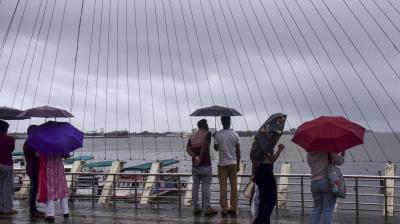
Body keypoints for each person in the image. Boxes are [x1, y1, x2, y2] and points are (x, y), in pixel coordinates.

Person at [186, 119, 217, 216]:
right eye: (207, 123)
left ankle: (196, 207)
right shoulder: (208, 133)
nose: (208, 125)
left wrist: (194, 157)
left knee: (195, 186)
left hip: (195, 165)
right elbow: (205, 145)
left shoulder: (192, 135)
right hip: (205, 164)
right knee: (206, 186)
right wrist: (201, 156)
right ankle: (207, 208)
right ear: (204, 125)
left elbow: (187, 148)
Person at [307, 152, 345, 224]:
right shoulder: (329, 149)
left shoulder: (310, 151)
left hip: (314, 182)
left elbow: (310, 163)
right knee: (328, 209)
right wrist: (342, 155)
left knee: (316, 208)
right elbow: (339, 162)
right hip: (327, 182)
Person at [214, 116, 240, 215]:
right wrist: (238, 164)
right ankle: (233, 207)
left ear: (221, 122)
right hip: (233, 163)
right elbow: (238, 151)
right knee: (234, 187)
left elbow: (216, 148)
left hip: (222, 164)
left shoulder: (218, 134)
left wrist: (214, 138)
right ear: (229, 122)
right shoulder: (235, 134)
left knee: (223, 187)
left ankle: (224, 208)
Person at [252, 143, 285, 224]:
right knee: (271, 198)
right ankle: (258, 221)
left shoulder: (256, 145)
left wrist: (254, 174)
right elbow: (272, 159)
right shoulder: (268, 144)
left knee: (263, 200)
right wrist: (280, 149)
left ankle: (264, 221)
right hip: (267, 171)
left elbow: (254, 161)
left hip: (258, 173)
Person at [38, 152, 70, 222]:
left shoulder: (45, 146)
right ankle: (66, 211)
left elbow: (38, 155)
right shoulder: (60, 144)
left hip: (49, 170)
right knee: (62, 189)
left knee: (50, 191)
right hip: (59, 170)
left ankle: (50, 214)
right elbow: (67, 155)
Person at [23, 125, 45, 218]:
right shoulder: (30, 143)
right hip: (33, 169)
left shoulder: (29, 142)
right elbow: (37, 154)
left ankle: (34, 209)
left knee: (34, 189)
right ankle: (32, 211)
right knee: (33, 190)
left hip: (32, 168)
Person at [0, 120, 17, 215]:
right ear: (6, 129)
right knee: (7, 187)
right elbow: (11, 150)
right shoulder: (10, 139)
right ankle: (7, 209)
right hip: (6, 163)